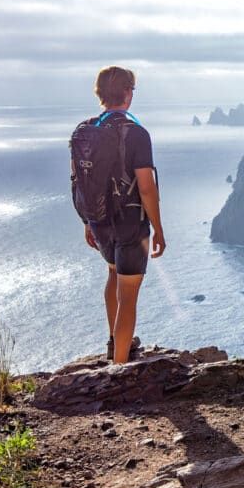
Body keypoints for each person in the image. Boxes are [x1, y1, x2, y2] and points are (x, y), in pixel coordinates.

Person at [78, 66, 166, 364]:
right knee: (128, 294)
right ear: (127, 93)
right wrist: (158, 229)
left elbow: (79, 183)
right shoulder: (137, 134)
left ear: (100, 95)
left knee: (113, 275)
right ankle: (120, 366)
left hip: (100, 223)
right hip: (130, 225)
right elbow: (146, 187)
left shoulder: (85, 132)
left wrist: (88, 221)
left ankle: (115, 343)